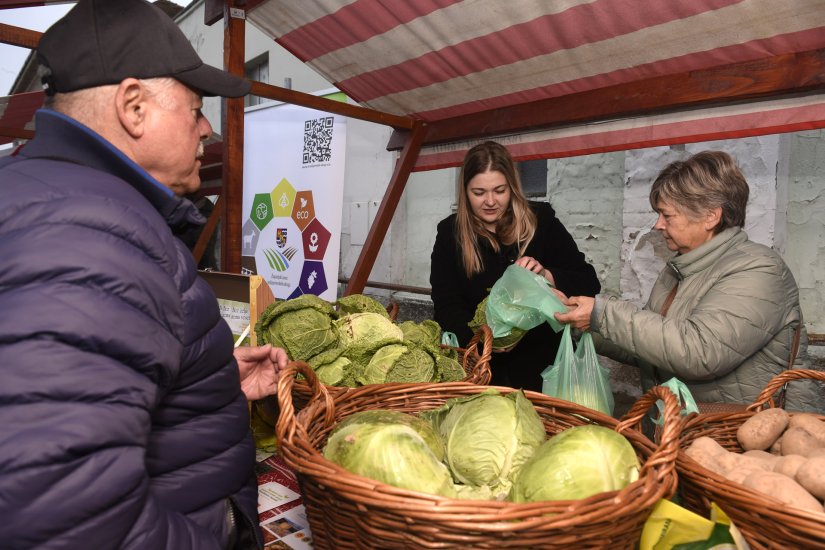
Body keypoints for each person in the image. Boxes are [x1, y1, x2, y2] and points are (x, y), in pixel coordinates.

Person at [0, 1, 287, 548]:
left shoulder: (49, 198)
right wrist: (220, 529)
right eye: (196, 107)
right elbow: (56, 511)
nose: (206, 128)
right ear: (133, 106)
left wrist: (201, 377)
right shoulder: (90, 236)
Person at [555, 150, 823, 412]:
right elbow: (648, 346)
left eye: (667, 215)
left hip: (737, 441)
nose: (658, 225)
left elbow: (700, 352)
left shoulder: (760, 271)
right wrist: (579, 320)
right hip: (682, 432)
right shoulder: (677, 270)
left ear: (710, 216)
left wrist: (603, 314)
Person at [430, 141, 601, 392]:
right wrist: (483, 340)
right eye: (479, 193)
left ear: (512, 186)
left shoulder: (542, 222)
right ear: (465, 192)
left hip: (543, 369)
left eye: (499, 190)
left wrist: (546, 275)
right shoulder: (450, 233)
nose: (490, 201)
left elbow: (588, 281)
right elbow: (446, 305)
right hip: (481, 372)